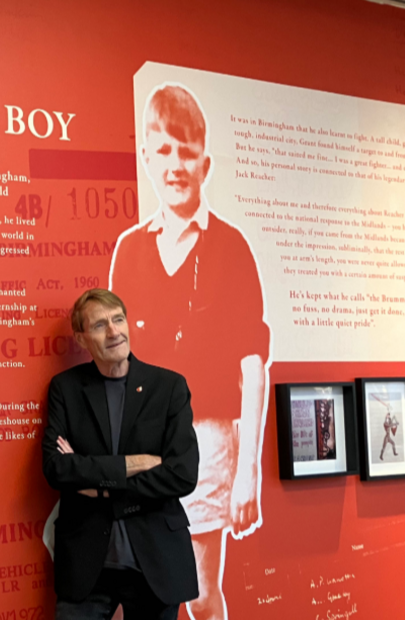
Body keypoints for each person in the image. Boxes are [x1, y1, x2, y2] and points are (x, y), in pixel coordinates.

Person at [109, 83, 270, 620]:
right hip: (140, 446)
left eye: (186, 151)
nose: (175, 165)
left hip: (207, 443)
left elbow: (253, 365)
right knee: (149, 593)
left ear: (206, 162)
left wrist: (248, 471)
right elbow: (117, 364)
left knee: (200, 595)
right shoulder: (129, 251)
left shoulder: (231, 248)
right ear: (147, 159)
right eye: (164, 151)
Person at [43, 288, 199, 620]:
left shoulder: (168, 387)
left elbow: (182, 474)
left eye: (118, 320)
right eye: (100, 325)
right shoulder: (66, 389)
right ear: (82, 339)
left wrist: (100, 485)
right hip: (87, 566)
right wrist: (136, 463)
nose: (114, 332)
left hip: (155, 561)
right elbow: (57, 467)